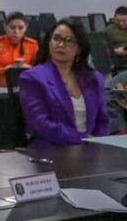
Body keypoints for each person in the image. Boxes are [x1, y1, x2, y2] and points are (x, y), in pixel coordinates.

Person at [18, 19, 110, 148]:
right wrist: (81, 139)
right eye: (56, 38)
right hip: (51, 149)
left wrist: (98, 143)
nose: (61, 44)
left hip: (91, 149)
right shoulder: (33, 77)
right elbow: (38, 123)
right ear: (49, 43)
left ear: (79, 49)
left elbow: (103, 121)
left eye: (69, 40)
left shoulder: (94, 78)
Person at [0, 11, 38, 76]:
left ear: (26, 28)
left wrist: (27, 68)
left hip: (24, 82)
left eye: (21, 28)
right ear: (5, 27)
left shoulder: (32, 45)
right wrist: (6, 70)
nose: (16, 31)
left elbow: (39, 69)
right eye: (12, 27)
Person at [106, 6, 127, 70]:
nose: (121, 23)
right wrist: (114, 51)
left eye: (124, 21)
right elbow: (103, 48)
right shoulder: (109, 30)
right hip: (118, 59)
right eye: (118, 21)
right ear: (114, 18)